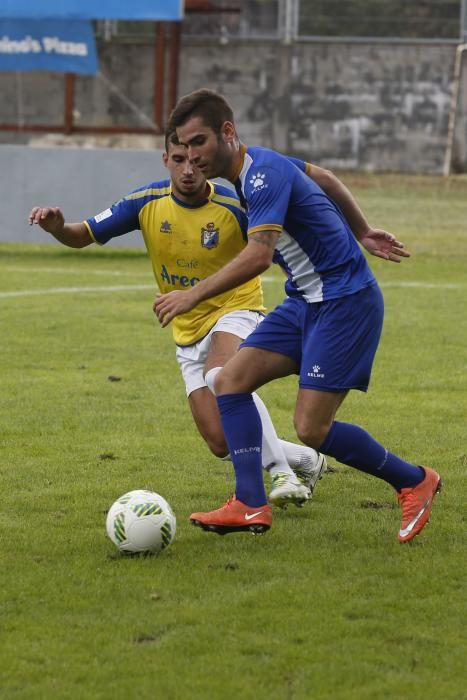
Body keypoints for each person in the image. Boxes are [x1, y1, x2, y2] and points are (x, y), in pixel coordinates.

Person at [154, 88, 442, 542]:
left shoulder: (262, 176)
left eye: (200, 142)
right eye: (184, 147)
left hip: (345, 303)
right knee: (228, 381)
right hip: (307, 301)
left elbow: (258, 257)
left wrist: (191, 296)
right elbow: (324, 177)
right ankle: (250, 503)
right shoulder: (259, 165)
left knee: (311, 428)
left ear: (228, 133)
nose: (192, 156)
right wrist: (362, 230)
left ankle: (414, 480)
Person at [28, 130, 328, 509]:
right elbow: (83, 234)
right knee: (220, 442)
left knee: (224, 378)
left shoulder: (235, 203)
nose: (188, 169)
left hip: (236, 309)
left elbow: (275, 248)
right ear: (165, 159)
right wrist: (57, 227)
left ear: (205, 161)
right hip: (187, 329)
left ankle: (280, 473)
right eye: (178, 160)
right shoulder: (145, 201)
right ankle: (305, 460)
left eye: (194, 160)